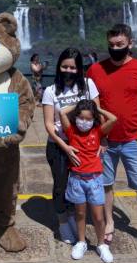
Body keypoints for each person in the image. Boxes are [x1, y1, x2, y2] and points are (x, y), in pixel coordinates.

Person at [87, 24, 137, 259]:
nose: (115, 49)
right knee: (106, 185)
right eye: (111, 45)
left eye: (120, 45)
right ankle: (110, 222)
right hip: (105, 141)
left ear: (130, 43)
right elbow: (90, 106)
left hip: (133, 139)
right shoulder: (95, 70)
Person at [42, 47, 100, 244]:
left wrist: (102, 141)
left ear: (79, 69)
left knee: (78, 185)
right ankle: (63, 223)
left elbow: (97, 113)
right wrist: (65, 147)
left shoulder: (88, 85)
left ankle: (75, 218)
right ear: (59, 67)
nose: (69, 70)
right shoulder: (50, 91)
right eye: (65, 66)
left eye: (73, 67)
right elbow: (49, 124)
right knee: (61, 186)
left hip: (83, 145)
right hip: (59, 146)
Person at [59, 99, 117, 263]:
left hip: (95, 180)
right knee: (80, 213)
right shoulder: (71, 131)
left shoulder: (98, 131)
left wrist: (97, 108)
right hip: (76, 179)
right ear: (76, 117)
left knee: (98, 217)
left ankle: (101, 244)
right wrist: (78, 104)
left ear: (94, 119)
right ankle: (82, 242)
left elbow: (113, 119)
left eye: (88, 119)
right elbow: (62, 112)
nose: (84, 122)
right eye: (81, 118)